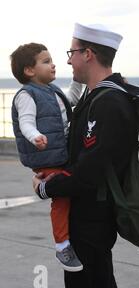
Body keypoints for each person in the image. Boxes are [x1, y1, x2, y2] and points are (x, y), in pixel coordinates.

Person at [32, 22, 138, 288]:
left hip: (92, 220)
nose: (68, 59)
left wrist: (48, 189)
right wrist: (49, 174)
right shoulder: (97, 96)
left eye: (72, 52)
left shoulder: (109, 102)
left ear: (88, 54)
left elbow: (91, 171)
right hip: (85, 216)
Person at [10, 43, 83, 271]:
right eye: (46, 61)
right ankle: (62, 246)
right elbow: (26, 122)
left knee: (70, 197)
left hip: (61, 155)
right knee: (61, 200)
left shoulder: (53, 91)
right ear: (29, 71)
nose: (53, 64)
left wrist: (79, 78)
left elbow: (71, 99)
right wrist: (35, 137)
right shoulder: (26, 95)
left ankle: (69, 238)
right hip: (47, 158)